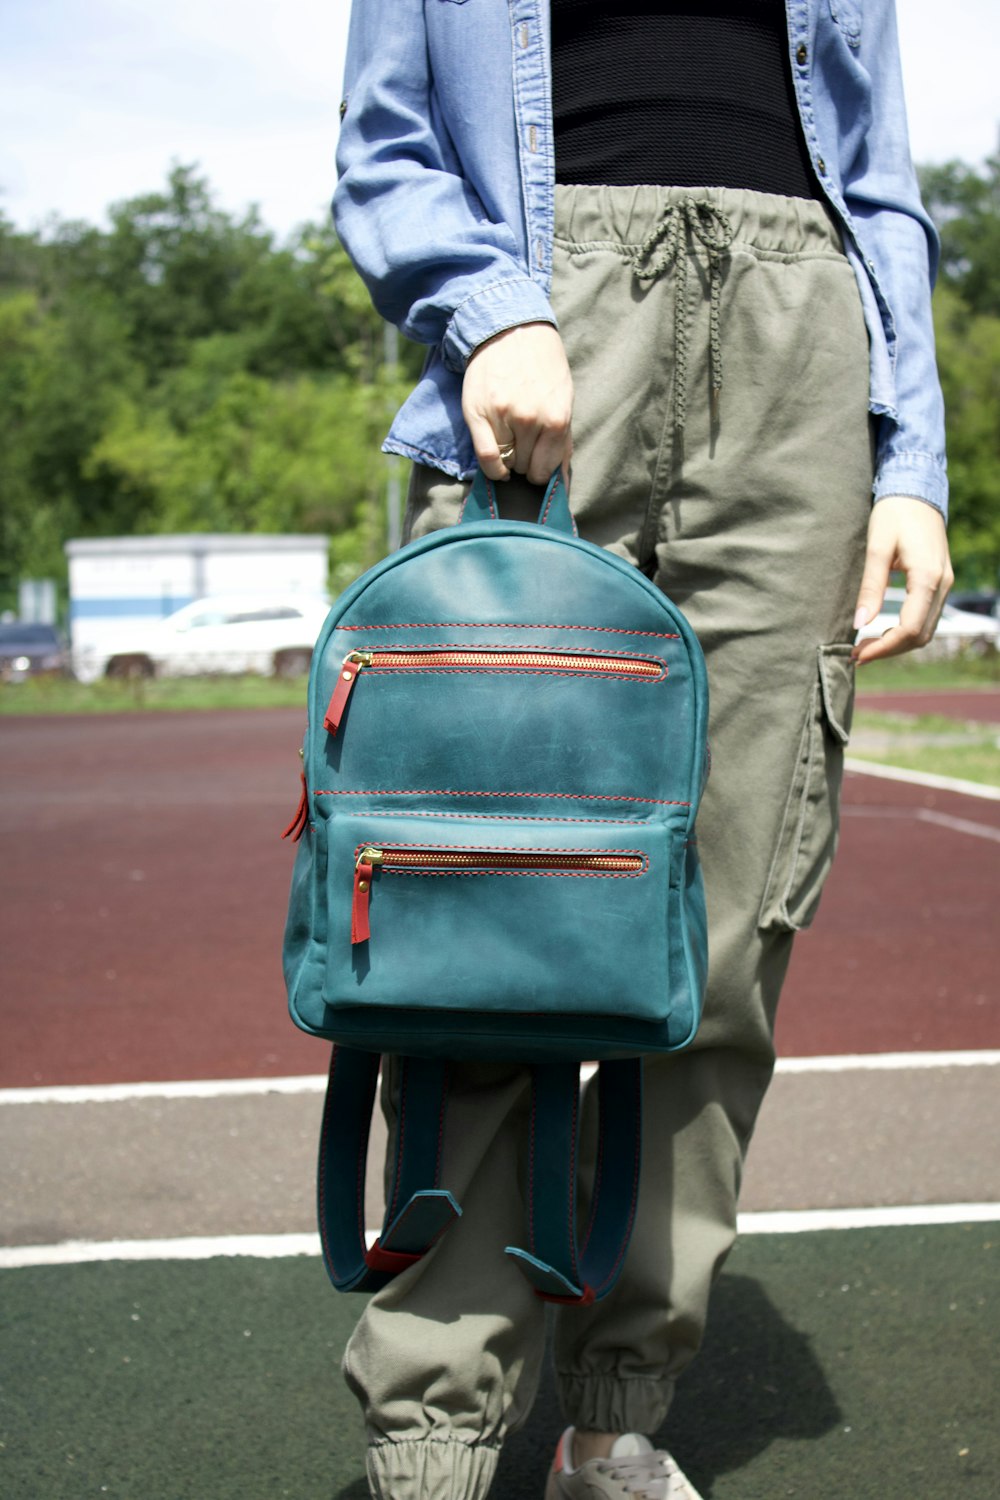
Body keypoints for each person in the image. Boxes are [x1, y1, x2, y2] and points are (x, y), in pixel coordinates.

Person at [331, 4, 952, 1497]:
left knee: (731, 933)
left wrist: (911, 461)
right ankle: (437, 1438)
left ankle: (617, 1413)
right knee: (482, 922)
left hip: (805, 358)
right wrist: (489, 302)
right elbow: (383, 146)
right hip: (549, 335)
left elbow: (879, 179)